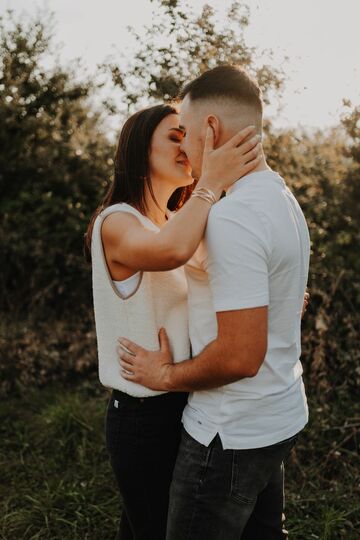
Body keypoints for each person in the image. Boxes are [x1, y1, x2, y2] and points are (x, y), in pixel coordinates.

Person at [118, 66, 311, 540]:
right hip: (277, 415)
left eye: (184, 131)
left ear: (211, 129)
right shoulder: (280, 196)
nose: (182, 147)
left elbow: (241, 356)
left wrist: (164, 375)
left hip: (227, 432)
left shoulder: (233, 217)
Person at [84, 103, 262, 540]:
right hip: (143, 414)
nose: (186, 146)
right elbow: (170, 252)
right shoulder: (116, 221)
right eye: (174, 136)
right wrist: (211, 182)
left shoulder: (168, 221)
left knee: (149, 525)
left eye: (188, 136)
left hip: (180, 398)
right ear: (140, 148)